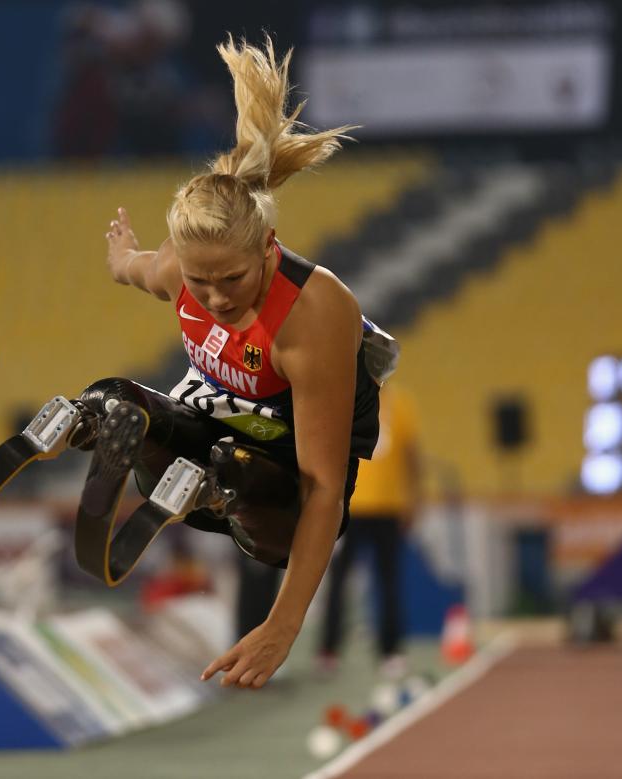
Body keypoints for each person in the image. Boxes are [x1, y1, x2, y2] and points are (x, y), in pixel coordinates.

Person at [103, 36, 397, 689]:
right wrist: (122, 256)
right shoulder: (186, 271)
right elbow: (140, 268)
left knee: (247, 479)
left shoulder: (312, 316)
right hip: (231, 420)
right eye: (200, 284)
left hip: (294, 466)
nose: (214, 298)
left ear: (267, 248)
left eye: (232, 278)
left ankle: (218, 484)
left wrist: (285, 623)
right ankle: (94, 423)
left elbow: (322, 486)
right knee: (127, 405)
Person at [317, 384, 421, 678]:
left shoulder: (401, 405)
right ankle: (328, 649)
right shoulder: (345, 402)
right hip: (349, 507)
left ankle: (390, 650)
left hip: (389, 508)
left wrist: (414, 500)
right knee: (338, 581)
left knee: (388, 582)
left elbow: (412, 457)